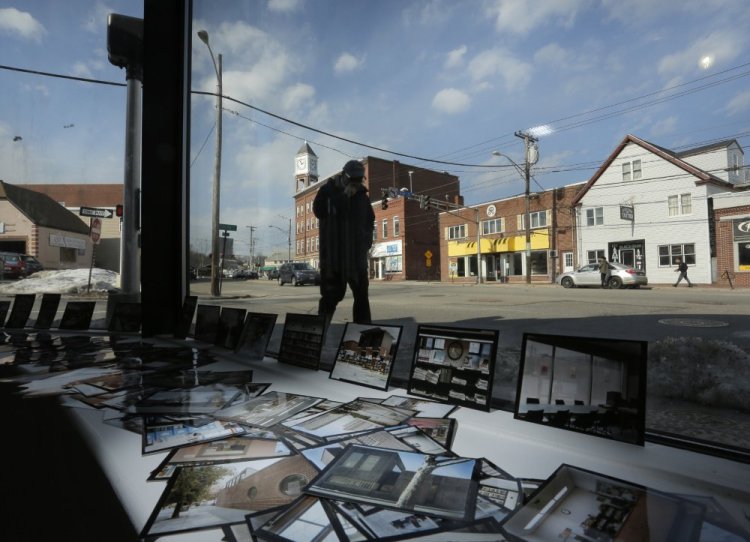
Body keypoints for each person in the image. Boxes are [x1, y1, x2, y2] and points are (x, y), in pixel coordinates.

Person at [313, 159, 376, 325]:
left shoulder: (362, 197)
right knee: (330, 297)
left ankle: (362, 335)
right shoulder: (327, 191)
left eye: (359, 180)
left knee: (362, 297)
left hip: (356, 258)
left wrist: (366, 242)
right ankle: (320, 332)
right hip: (334, 257)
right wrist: (342, 197)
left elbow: (370, 220)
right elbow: (318, 212)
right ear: (344, 176)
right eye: (353, 180)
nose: (356, 184)